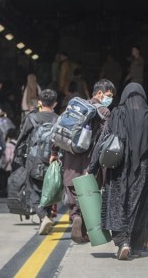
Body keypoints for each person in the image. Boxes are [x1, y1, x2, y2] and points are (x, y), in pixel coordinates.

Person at [87, 83, 148, 260]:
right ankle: (134, 246)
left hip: (118, 169)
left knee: (116, 205)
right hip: (142, 171)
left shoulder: (117, 114)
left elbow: (102, 142)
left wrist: (92, 168)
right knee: (138, 207)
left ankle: (122, 242)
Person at [52, 79, 114, 244]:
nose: (110, 98)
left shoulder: (75, 107)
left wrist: (54, 152)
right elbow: (103, 139)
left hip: (70, 159)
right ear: (99, 93)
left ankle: (75, 217)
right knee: (88, 193)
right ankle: (82, 223)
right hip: (89, 162)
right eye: (109, 95)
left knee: (72, 191)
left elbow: (60, 129)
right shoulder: (104, 112)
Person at [16, 89, 59, 234]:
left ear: (39, 102)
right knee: (48, 190)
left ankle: (42, 216)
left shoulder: (32, 118)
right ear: (55, 104)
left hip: (34, 160)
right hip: (53, 160)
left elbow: (22, 139)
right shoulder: (58, 119)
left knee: (32, 191)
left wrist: (19, 157)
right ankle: (45, 219)